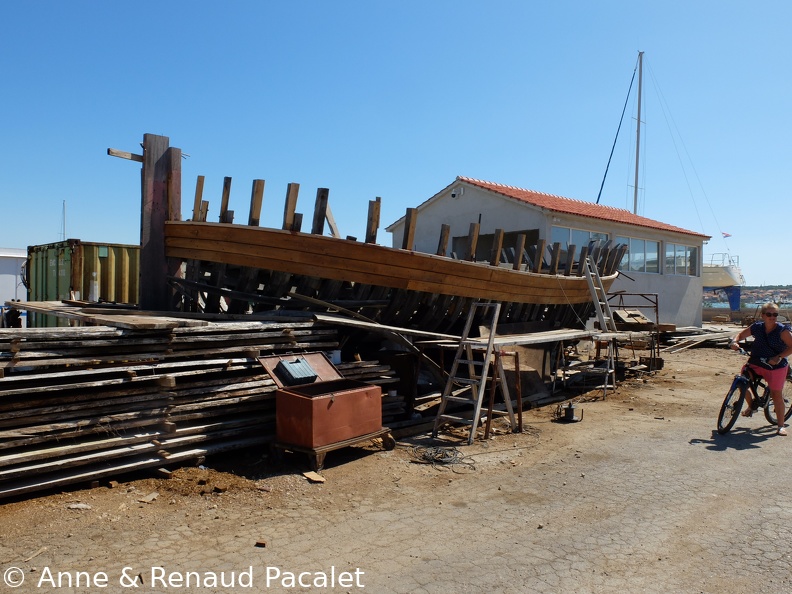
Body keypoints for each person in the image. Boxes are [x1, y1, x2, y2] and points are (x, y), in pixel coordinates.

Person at [729, 302, 792, 435]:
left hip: (775, 366)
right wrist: (735, 342)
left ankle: (780, 426)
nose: (772, 317)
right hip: (756, 362)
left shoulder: (782, 330)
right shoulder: (757, 327)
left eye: (775, 314)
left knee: (776, 395)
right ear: (763, 315)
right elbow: (740, 335)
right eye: (769, 314)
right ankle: (752, 405)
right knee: (742, 382)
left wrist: (778, 357)